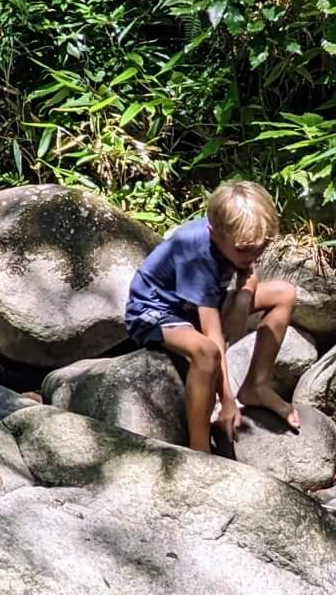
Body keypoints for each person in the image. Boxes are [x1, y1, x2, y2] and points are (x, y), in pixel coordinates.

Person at [126, 180, 303, 454]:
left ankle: (257, 385)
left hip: (198, 303)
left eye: (261, 248)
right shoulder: (197, 253)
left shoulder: (237, 239)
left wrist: (244, 297)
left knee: (284, 294)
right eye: (245, 251)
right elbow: (214, 337)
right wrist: (227, 401)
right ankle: (199, 445)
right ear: (214, 233)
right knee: (206, 352)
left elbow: (249, 272)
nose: (253, 256)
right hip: (157, 311)